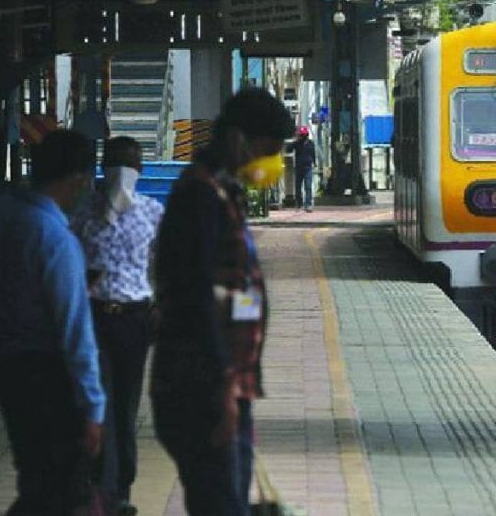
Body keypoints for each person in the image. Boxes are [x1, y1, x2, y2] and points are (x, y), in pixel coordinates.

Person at [150, 88, 293, 516]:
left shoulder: (221, 192)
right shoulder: (199, 197)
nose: (272, 163)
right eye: (269, 150)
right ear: (238, 139)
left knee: (226, 497)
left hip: (222, 382)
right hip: (202, 386)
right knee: (219, 502)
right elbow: (194, 296)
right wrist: (223, 387)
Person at [0, 130, 105, 515]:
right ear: (78, 178)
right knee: (62, 491)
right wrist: (93, 406)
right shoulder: (55, 237)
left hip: (10, 370)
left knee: (35, 477)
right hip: (52, 376)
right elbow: (75, 331)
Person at [72, 136, 164, 516]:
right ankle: (100, 485)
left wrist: (159, 305)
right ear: (102, 168)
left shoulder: (153, 212)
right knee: (100, 405)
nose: (121, 174)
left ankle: (121, 485)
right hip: (93, 317)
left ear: (139, 171)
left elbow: (165, 263)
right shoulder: (83, 213)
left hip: (134, 318)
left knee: (125, 407)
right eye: (114, 164)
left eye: (128, 165)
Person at [289, 125, 316, 211]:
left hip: (308, 167)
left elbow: (313, 153)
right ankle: (299, 203)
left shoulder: (310, 143)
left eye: (303, 135)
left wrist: (314, 162)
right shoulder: (297, 143)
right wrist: (295, 140)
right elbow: (289, 149)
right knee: (298, 186)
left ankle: (308, 204)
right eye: (301, 135)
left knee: (308, 186)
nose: (302, 137)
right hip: (299, 167)